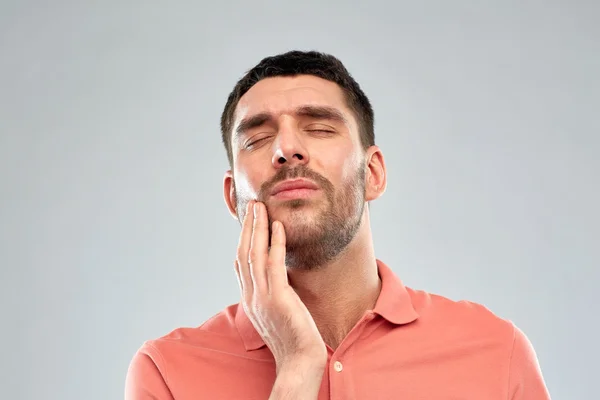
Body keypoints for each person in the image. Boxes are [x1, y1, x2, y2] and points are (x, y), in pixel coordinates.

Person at [125, 50, 550, 399]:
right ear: (231, 196)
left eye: (320, 128)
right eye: (256, 139)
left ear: (374, 173)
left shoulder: (495, 351)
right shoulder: (166, 375)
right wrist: (298, 367)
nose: (287, 148)